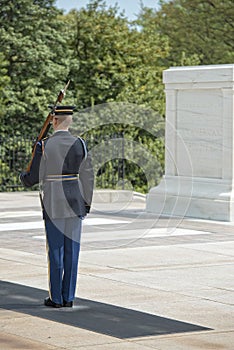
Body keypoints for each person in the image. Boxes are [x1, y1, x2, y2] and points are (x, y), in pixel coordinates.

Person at [20, 106, 94, 308]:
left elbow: (33, 177)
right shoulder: (80, 144)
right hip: (75, 201)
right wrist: (86, 203)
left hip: (53, 201)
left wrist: (23, 178)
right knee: (72, 251)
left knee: (55, 251)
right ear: (69, 122)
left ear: (54, 121)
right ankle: (69, 297)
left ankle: (56, 298)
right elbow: (88, 176)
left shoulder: (44, 145)